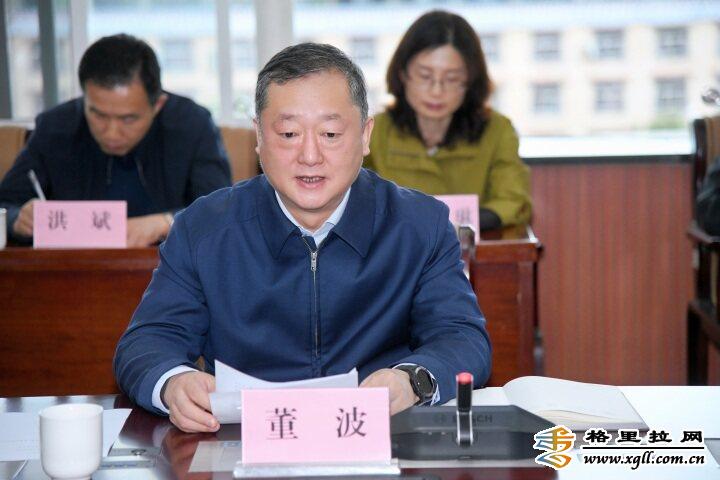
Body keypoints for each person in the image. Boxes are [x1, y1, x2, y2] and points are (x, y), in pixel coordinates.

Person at [114, 43, 491, 433]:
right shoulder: (203, 229)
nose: (310, 155)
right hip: (242, 437)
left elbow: (462, 338)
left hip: (376, 431)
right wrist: (173, 383)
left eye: (330, 133)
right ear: (259, 137)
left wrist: (411, 380)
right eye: (289, 133)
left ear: (365, 135)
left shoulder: (420, 225)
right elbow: (147, 342)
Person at [0, 34, 231, 247]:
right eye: (98, 115)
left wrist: (167, 222)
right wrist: (16, 219)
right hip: (74, 267)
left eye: (128, 119)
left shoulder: (192, 124)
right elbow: (6, 204)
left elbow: (222, 208)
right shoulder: (55, 127)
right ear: (85, 98)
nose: (111, 133)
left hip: (170, 266)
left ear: (158, 105)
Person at [364, 10, 531, 230]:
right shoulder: (374, 132)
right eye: (425, 76)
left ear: (469, 81)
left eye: (452, 79)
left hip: (469, 248)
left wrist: (458, 224)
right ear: (403, 74)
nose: (436, 91)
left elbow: (513, 201)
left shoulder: (497, 130)